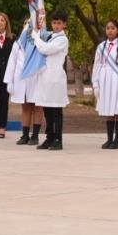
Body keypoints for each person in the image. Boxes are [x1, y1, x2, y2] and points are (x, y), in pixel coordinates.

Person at [31, 11, 70, 151]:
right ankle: (49, 137)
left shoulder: (62, 39)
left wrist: (35, 37)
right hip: (45, 77)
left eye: (59, 23)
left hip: (55, 78)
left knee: (56, 110)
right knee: (47, 109)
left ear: (64, 24)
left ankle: (58, 139)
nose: (56, 25)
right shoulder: (50, 36)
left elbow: (45, 49)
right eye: (54, 22)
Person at [92, 19, 118, 149]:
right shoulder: (101, 46)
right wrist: (96, 84)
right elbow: (96, 66)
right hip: (105, 81)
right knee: (109, 110)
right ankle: (109, 139)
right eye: (108, 28)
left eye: (113, 28)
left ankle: (117, 140)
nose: (110, 30)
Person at [5, 14, 45, 146]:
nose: (28, 26)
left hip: (37, 78)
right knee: (26, 107)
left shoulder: (41, 42)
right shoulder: (18, 44)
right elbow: (12, 63)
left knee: (38, 107)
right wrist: (9, 82)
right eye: (26, 23)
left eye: (31, 23)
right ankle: (25, 135)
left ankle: (35, 136)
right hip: (22, 81)